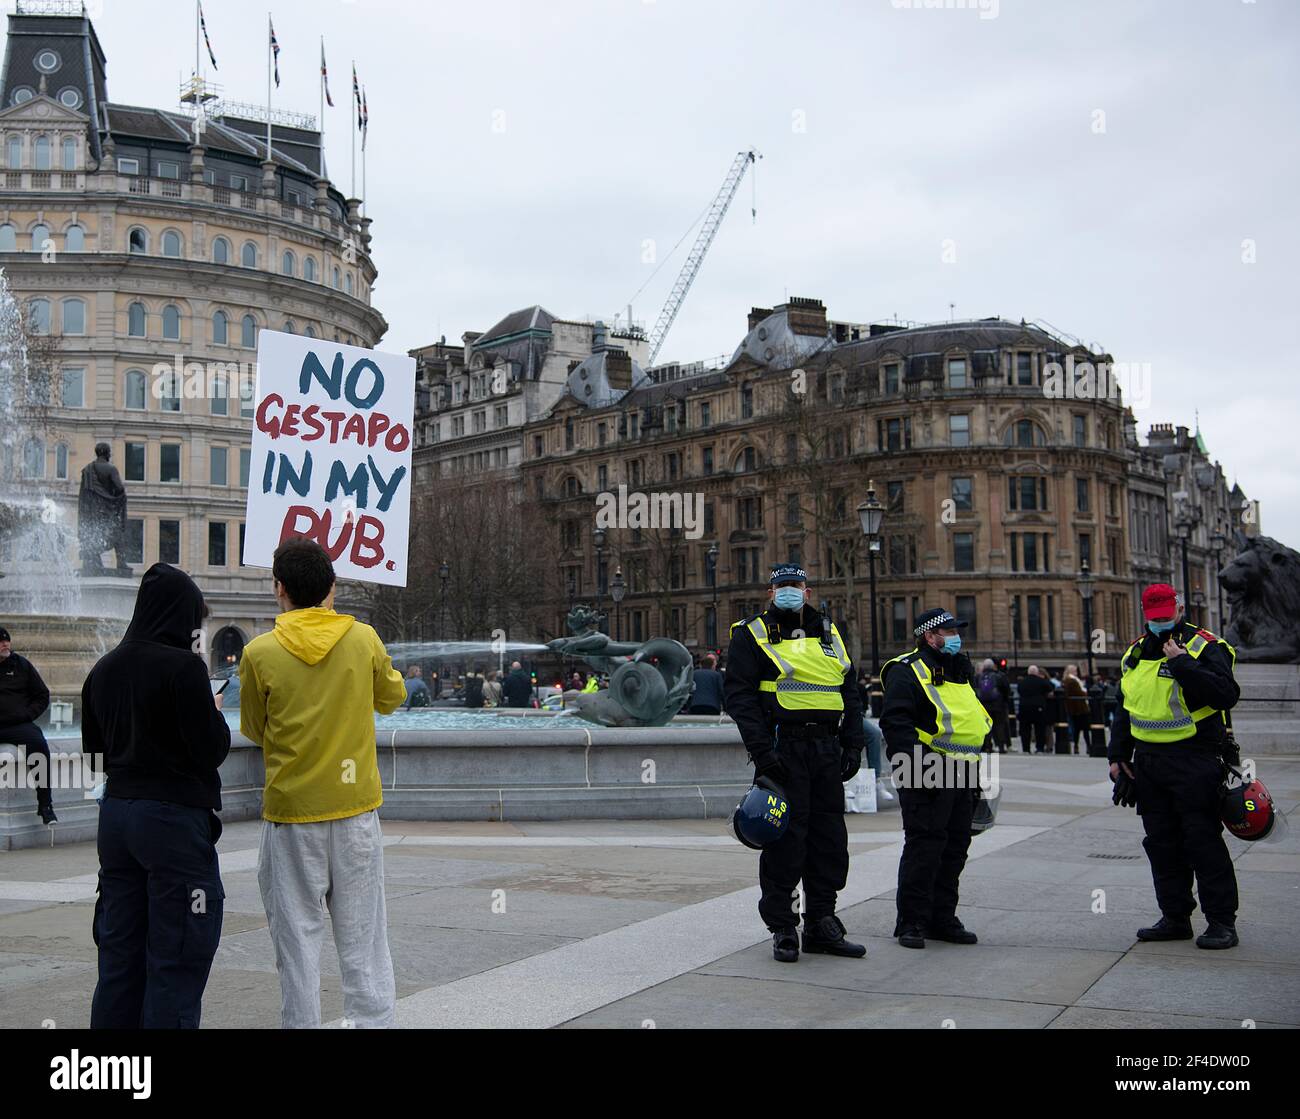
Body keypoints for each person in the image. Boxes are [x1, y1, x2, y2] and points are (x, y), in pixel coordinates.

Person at [239, 537, 407, 1028]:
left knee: (296, 949)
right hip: (354, 811)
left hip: (291, 816)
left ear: (279, 589)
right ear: (332, 588)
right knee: (365, 948)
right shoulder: (364, 639)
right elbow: (392, 697)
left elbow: (253, 728)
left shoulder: (258, 653)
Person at [82, 563, 231, 1028]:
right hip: (171, 822)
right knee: (178, 955)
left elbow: (93, 756)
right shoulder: (184, 668)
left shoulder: (102, 669)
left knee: (119, 957)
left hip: (117, 819)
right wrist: (214, 710)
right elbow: (211, 750)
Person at [724, 563, 867, 963]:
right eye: (782, 585)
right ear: (770, 592)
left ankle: (822, 921)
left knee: (829, 841)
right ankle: (784, 927)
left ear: (808, 591)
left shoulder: (830, 631)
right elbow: (740, 698)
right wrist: (763, 754)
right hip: (782, 749)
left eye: (797, 585)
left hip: (826, 750)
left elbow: (849, 690)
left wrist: (853, 745)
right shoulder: (750, 632)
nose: (790, 591)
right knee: (785, 842)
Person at [1109, 584, 1242, 950]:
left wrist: (1183, 663)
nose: (1160, 623)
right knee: (1162, 844)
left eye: (1166, 616)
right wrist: (1117, 757)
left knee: (1202, 842)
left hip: (1195, 758)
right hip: (1149, 763)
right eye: (1154, 618)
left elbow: (1226, 695)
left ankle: (1221, 922)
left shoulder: (1204, 646)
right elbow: (1125, 708)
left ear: (1180, 609)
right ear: (1144, 613)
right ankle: (1175, 917)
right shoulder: (1135, 653)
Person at [880, 607, 990, 949]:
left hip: (964, 771)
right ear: (930, 636)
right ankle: (911, 921)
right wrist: (918, 771)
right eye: (949, 631)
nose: (956, 636)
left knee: (955, 847)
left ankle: (942, 917)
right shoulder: (906, 670)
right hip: (928, 769)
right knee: (924, 848)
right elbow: (895, 725)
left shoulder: (959, 670)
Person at [0, 625, 56, 823]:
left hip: (18, 725)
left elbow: (42, 695)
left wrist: (27, 715)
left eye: (6, 640)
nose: (5, 644)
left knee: (39, 744)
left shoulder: (21, 665)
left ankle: (45, 804)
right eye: (0, 641)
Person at [975, 657, 1012, 754]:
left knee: (986, 727)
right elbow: (1006, 690)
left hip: (984, 706)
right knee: (999, 726)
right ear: (993, 666)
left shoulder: (979, 677)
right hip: (998, 705)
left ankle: (987, 746)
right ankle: (1001, 747)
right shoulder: (999, 676)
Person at [1016, 665, 1052, 754]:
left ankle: (1026, 748)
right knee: (1039, 729)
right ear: (1037, 673)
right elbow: (1050, 687)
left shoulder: (1022, 682)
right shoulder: (1041, 681)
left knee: (1025, 729)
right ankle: (1039, 748)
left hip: (1024, 707)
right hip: (1038, 707)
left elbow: (1019, 690)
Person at [1062, 663, 1090, 755]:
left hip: (1075, 708)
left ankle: (1077, 746)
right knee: (1084, 729)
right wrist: (1086, 693)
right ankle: (1088, 746)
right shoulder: (1072, 681)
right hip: (1079, 708)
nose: (1076, 672)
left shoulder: (1068, 680)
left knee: (1077, 729)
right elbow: (1079, 693)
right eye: (1074, 670)